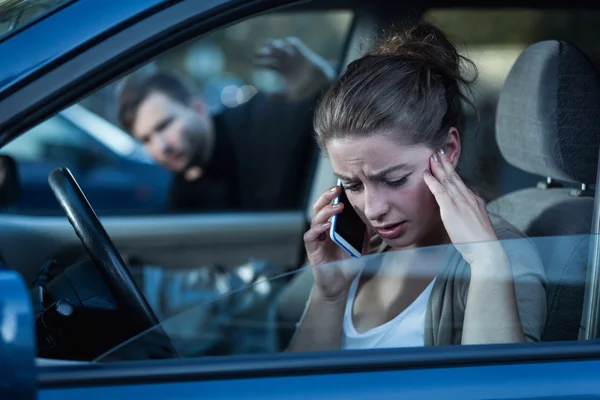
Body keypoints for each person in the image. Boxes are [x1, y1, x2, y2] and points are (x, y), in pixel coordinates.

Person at [287, 21, 547, 351]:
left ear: (449, 151)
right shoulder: (363, 250)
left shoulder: (503, 255)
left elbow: (495, 387)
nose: (372, 209)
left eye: (394, 180)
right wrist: (331, 294)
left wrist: (486, 264)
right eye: (352, 184)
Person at [117, 37, 335, 212]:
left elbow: (336, 113)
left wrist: (324, 86)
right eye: (146, 139)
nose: (161, 146)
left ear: (198, 108)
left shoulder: (263, 121)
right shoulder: (182, 194)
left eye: (164, 125)